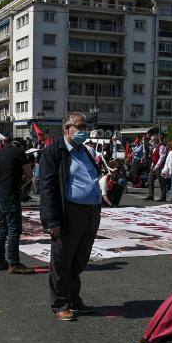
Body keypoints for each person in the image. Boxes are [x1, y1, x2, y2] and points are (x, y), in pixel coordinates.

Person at [39, 112, 102, 321]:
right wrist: (52, 220)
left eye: (85, 127)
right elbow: (47, 188)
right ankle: (59, 303)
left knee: (80, 258)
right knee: (62, 260)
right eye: (79, 127)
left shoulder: (84, 151)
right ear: (67, 129)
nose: (83, 131)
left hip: (90, 213)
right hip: (69, 213)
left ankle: (74, 299)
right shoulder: (54, 152)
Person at [0, 141, 34, 274]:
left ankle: (0, 261)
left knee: (2, 228)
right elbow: (29, 175)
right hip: (11, 195)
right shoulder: (20, 153)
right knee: (13, 230)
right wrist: (20, 187)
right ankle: (14, 263)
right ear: (20, 146)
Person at [145, 137, 168, 202]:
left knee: (161, 182)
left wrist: (157, 166)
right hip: (154, 165)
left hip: (160, 166)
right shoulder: (153, 147)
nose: (151, 141)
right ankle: (151, 195)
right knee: (150, 180)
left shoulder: (162, 147)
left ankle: (163, 197)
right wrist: (152, 165)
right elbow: (153, 157)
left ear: (155, 140)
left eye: (152, 140)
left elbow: (162, 157)